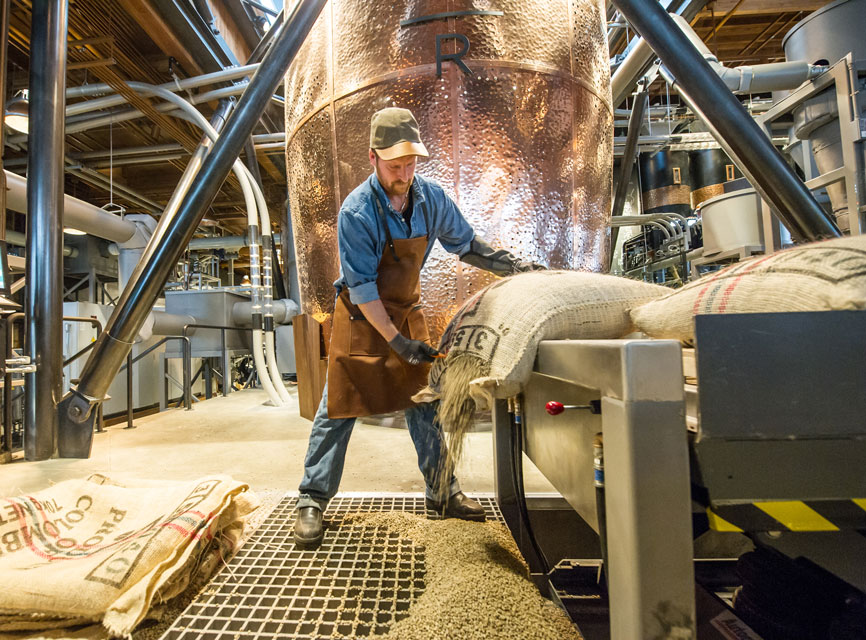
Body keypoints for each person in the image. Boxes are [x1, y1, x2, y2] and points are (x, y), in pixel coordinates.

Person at [294, 107, 543, 548]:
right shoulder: (357, 212)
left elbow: (465, 244)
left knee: (424, 405)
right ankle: (312, 498)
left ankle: (442, 493)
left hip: (405, 312)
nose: (404, 173)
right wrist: (396, 342)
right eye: (395, 165)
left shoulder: (431, 199)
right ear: (373, 158)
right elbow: (365, 289)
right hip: (361, 316)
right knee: (339, 406)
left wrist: (510, 265)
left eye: (410, 163)